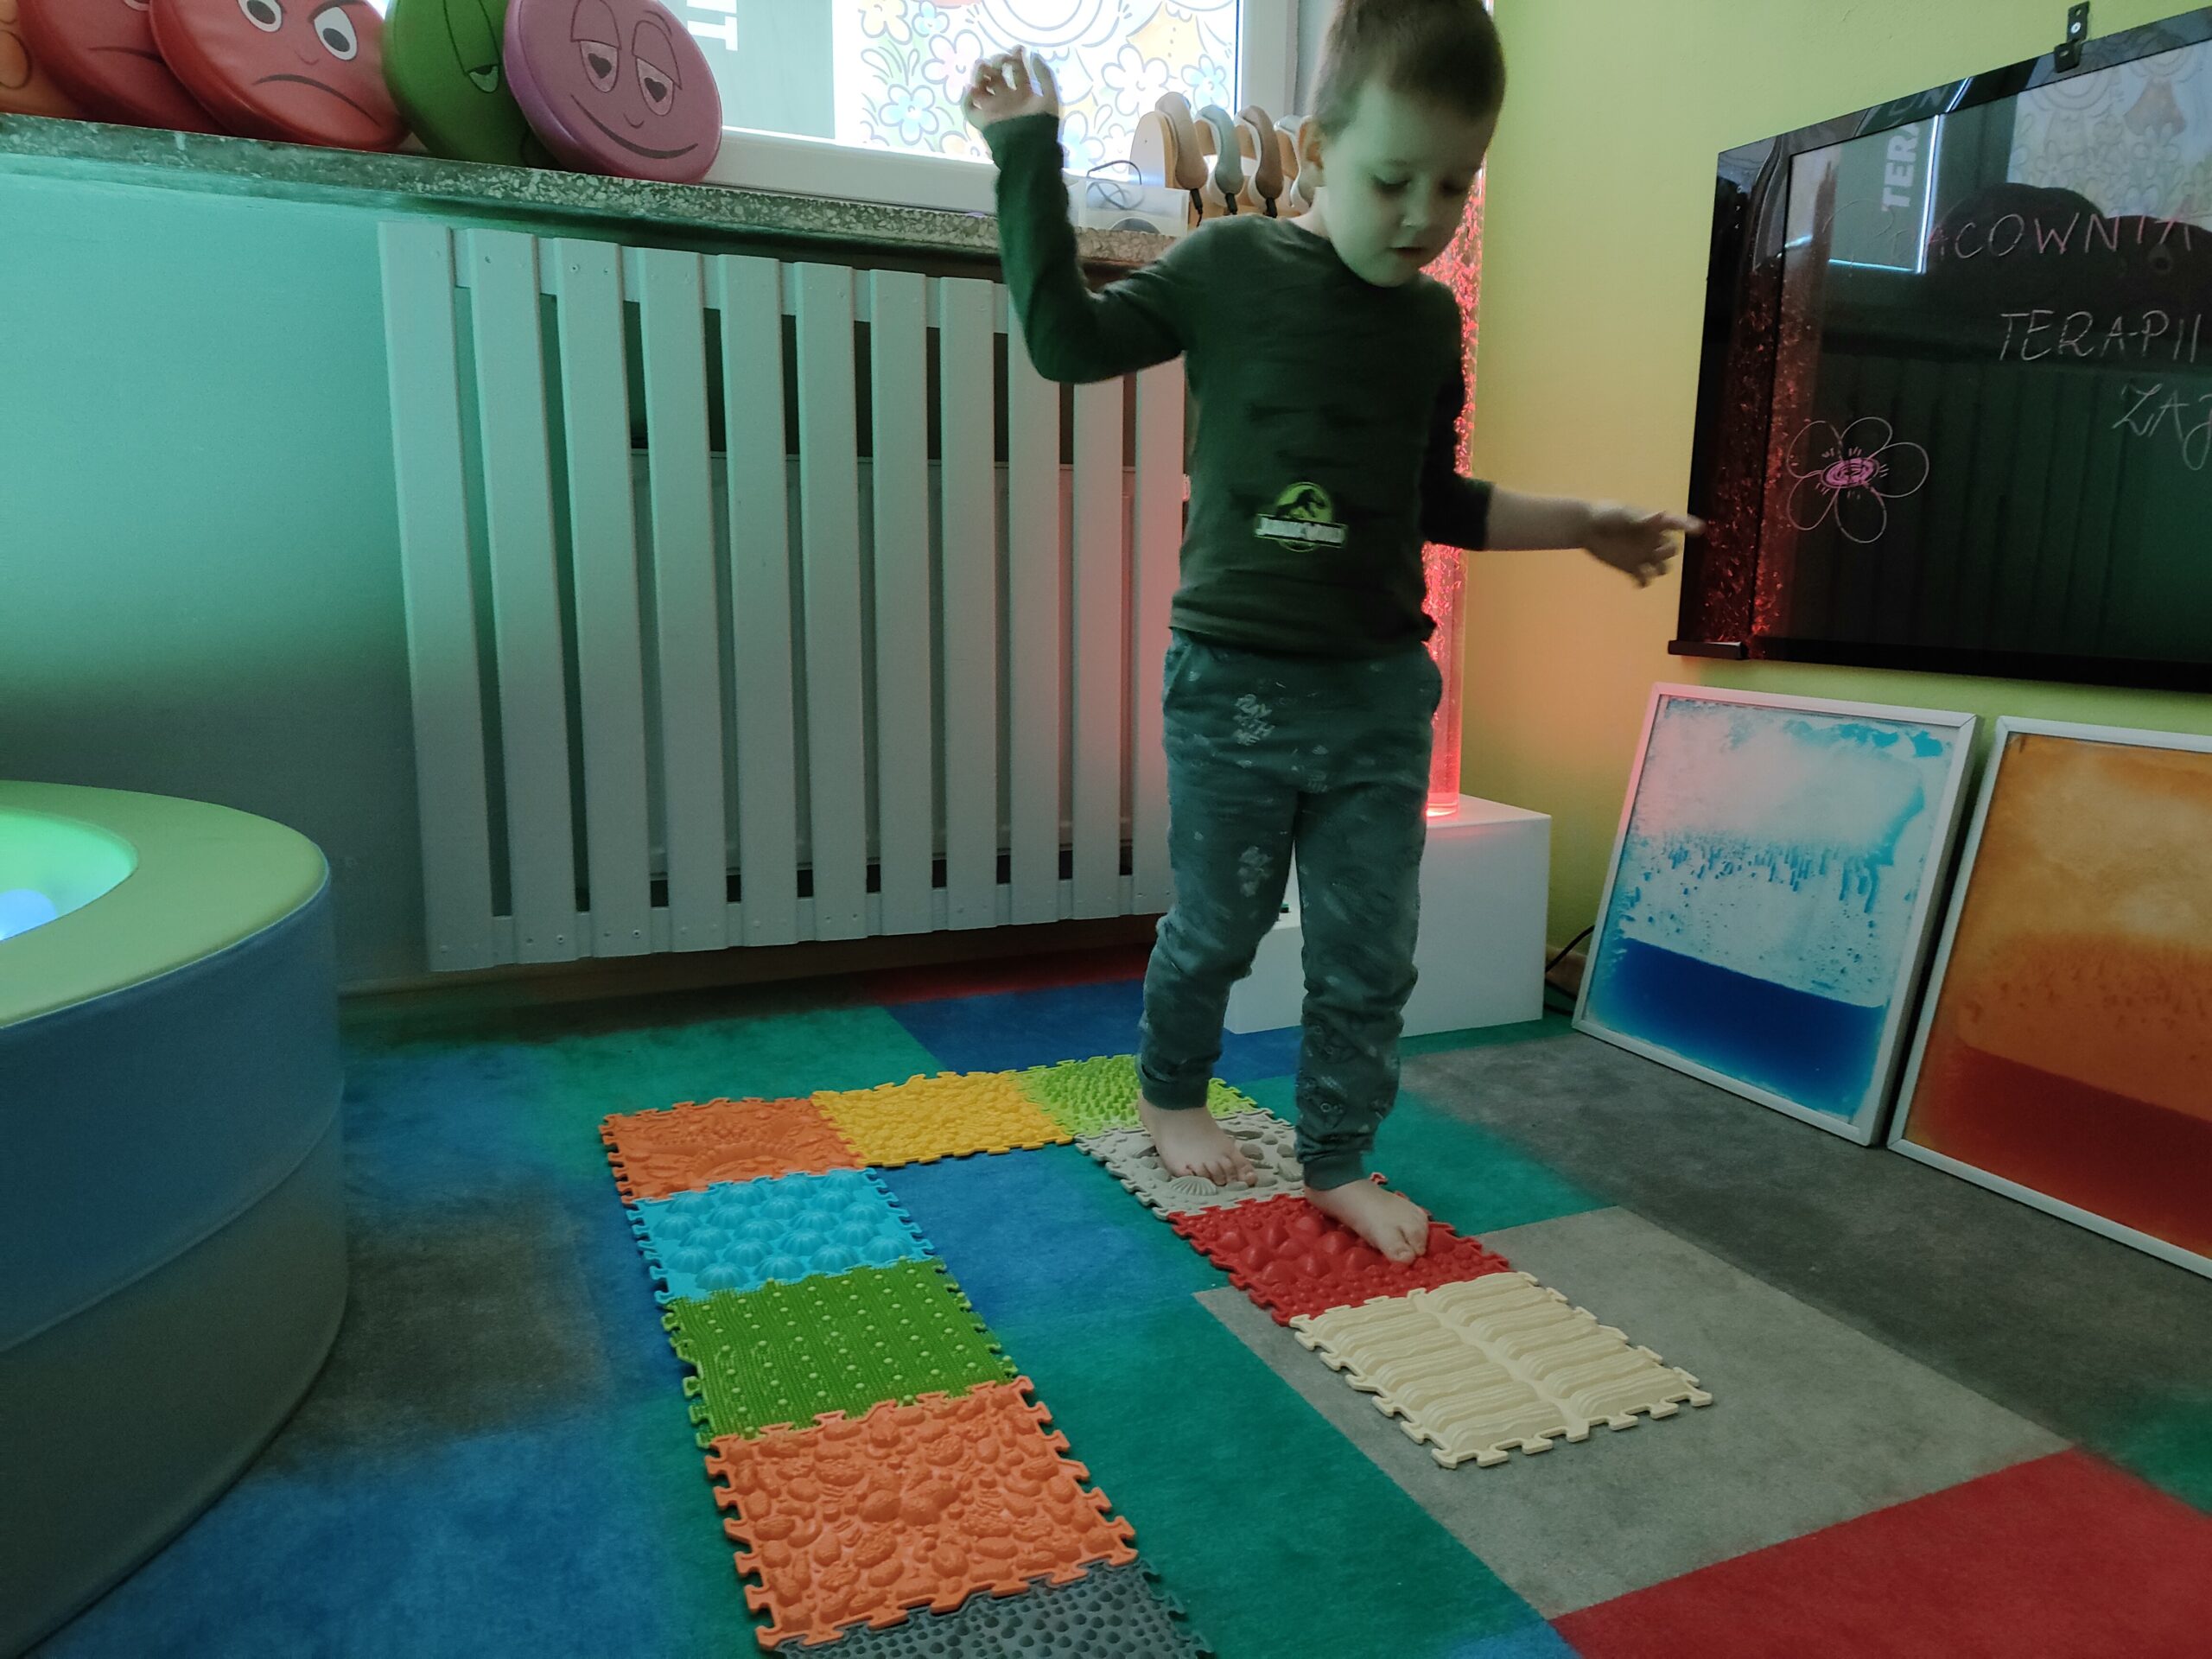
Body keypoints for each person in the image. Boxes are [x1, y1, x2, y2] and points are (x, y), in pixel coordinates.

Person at [963, 0, 1697, 1262]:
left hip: (1376, 694)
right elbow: (1064, 343)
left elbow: (1432, 500)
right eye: (1392, 179)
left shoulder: (1429, 321)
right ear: (1316, 151)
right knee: (1222, 926)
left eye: (1455, 184)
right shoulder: (1230, 265)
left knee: (1370, 951)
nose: (1423, 216)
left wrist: (1582, 523)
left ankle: (1340, 1156)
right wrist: (1027, 148)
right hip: (1234, 684)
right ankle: (1173, 1093)